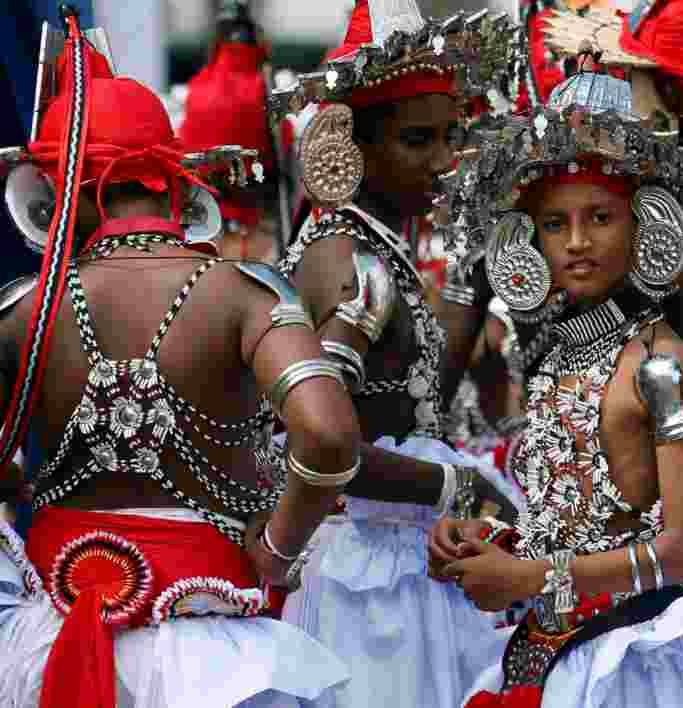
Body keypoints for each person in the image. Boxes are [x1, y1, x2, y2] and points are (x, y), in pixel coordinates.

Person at [0, 10, 362, 708]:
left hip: (46, 642)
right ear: (174, 178)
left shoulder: (24, 309)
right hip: (213, 655)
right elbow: (327, 432)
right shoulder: (243, 292)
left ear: (60, 191)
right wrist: (279, 553)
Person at [430, 71, 683, 708]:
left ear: (643, 223)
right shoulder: (559, 357)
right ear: (529, 240)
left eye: (599, 218)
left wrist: (524, 575)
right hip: (558, 648)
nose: (576, 241)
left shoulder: (662, 364)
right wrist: (493, 544)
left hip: (636, 660)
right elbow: (578, 524)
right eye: (553, 223)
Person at [269, 2, 521, 706]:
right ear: (356, 147)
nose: (444, 163)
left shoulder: (381, 249)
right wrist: (458, 489)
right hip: (368, 583)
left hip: (401, 560)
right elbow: (322, 449)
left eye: (452, 137)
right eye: (418, 141)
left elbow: (413, 403)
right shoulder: (350, 263)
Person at [179, 0, 289, 264]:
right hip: (256, 214)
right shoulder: (262, 83)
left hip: (206, 211)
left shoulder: (198, 85)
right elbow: (282, 145)